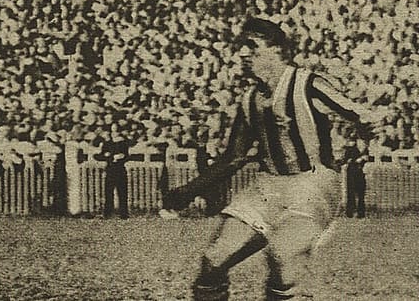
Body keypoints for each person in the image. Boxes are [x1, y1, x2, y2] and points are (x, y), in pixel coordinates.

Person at [160, 18, 378, 300]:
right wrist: (189, 191)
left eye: (251, 46)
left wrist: (365, 128)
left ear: (277, 50)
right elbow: (234, 157)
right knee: (213, 261)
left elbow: (359, 113)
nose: (242, 53)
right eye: (241, 47)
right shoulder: (250, 98)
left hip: (313, 186)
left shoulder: (307, 83)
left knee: (281, 257)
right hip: (267, 188)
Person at [101, 124, 130, 219]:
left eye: (116, 131)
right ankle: (107, 213)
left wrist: (121, 157)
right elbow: (101, 155)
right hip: (110, 169)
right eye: (113, 131)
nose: (115, 133)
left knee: (122, 191)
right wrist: (110, 156)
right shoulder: (107, 143)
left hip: (120, 169)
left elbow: (127, 156)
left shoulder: (123, 143)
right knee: (108, 192)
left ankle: (124, 213)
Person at [343, 137, 369, 218]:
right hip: (352, 171)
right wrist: (356, 160)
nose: (362, 143)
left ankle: (361, 212)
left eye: (363, 142)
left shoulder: (365, 150)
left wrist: (364, 159)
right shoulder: (351, 149)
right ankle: (350, 211)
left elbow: (367, 159)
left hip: (361, 172)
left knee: (361, 192)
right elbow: (346, 160)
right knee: (351, 191)